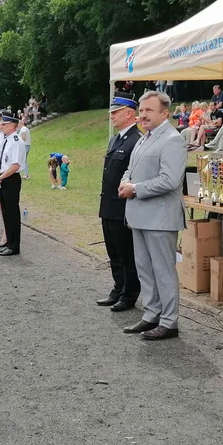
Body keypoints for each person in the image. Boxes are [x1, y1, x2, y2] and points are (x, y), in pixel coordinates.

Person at [118, 90, 187, 341]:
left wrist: (134, 189)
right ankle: (151, 313)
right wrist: (126, 182)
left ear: (165, 113)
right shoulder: (144, 138)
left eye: (149, 110)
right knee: (145, 269)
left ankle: (169, 321)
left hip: (160, 217)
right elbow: (130, 169)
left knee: (163, 270)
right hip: (140, 215)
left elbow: (170, 180)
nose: (143, 114)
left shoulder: (172, 139)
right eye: (142, 109)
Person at [98, 93, 143, 312]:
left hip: (124, 208)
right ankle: (118, 288)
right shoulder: (116, 139)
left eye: (115, 112)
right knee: (113, 252)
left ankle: (129, 294)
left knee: (126, 254)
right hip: (109, 205)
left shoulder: (137, 140)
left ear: (129, 113)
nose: (111, 117)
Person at [0, 112, 24, 256]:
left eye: (4, 124)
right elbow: (5, 162)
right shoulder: (7, 139)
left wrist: (0, 177)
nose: (1, 126)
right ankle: (9, 242)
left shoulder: (16, 141)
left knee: (12, 213)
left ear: (12, 126)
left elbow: (15, 165)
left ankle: (14, 245)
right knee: (5, 212)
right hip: (4, 177)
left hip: (11, 179)